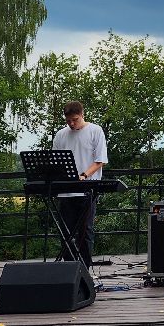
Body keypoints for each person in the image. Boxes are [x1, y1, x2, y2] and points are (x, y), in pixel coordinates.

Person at [52, 100, 108, 266]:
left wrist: (83, 176)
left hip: (87, 190)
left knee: (86, 232)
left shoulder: (95, 130)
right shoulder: (61, 135)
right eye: (68, 121)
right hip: (66, 191)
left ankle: (84, 269)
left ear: (82, 115)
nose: (71, 123)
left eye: (74, 120)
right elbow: (56, 162)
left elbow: (100, 161)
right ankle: (69, 268)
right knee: (66, 232)